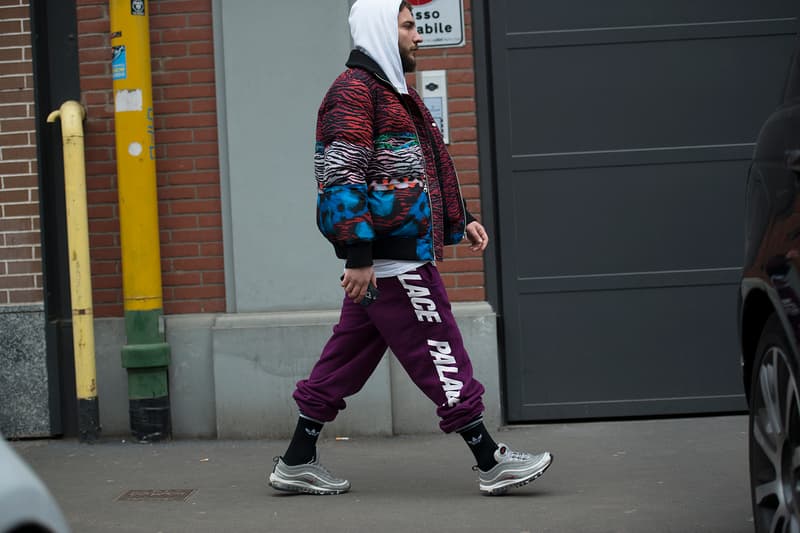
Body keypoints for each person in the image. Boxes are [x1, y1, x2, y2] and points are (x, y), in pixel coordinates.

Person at [269, 0, 553, 496]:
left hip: (388, 255)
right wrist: (358, 257)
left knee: (346, 359)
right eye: (407, 26)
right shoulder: (354, 93)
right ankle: (491, 460)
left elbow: (418, 167)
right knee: (440, 348)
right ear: (382, 30)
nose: (417, 35)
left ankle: (296, 460)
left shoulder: (391, 92)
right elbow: (339, 177)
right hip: (392, 261)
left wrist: (457, 219)